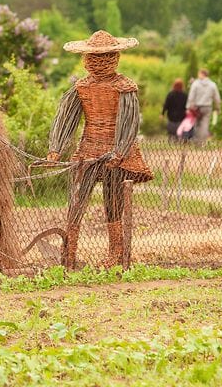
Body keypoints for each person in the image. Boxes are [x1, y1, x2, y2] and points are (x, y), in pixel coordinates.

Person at [46, 30, 154, 268]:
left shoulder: (125, 88)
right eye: (94, 58)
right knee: (77, 201)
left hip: (116, 155)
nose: (98, 62)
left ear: (115, 57)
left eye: (105, 57)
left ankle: (115, 254)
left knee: (113, 203)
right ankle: (69, 254)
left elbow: (130, 122)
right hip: (87, 151)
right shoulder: (81, 88)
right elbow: (66, 120)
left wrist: (120, 151)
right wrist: (55, 150)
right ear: (86, 59)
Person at [186, 68, 220, 143]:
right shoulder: (212, 84)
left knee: (197, 124)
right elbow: (217, 97)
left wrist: (188, 107)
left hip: (196, 107)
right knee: (205, 124)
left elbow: (191, 96)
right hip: (207, 107)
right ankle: (202, 142)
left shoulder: (195, 84)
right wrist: (218, 108)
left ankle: (197, 142)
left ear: (202, 74)